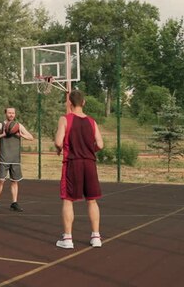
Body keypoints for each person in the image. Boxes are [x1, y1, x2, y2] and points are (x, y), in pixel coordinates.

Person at [54, 89, 104, 249]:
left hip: (72, 163)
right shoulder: (92, 121)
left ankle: (68, 238)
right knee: (92, 200)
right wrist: (89, 150)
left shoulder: (65, 119)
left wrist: (60, 148)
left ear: (69, 103)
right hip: (89, 163)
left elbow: (58, 142)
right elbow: (101, 145)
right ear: (83, 102)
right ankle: (96, 236)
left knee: (68, 200)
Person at [0, 107, 34, 212]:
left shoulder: (18, 126)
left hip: (15, 159)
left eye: (13, 113)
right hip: (4, 158)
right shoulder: (1, 125)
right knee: (1, 180)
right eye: (9, 113)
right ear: (5, 113)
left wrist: (21, 135)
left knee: (14, 181)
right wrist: (2, 135)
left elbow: (31, 137)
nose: (11, 115)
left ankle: (14, 203)